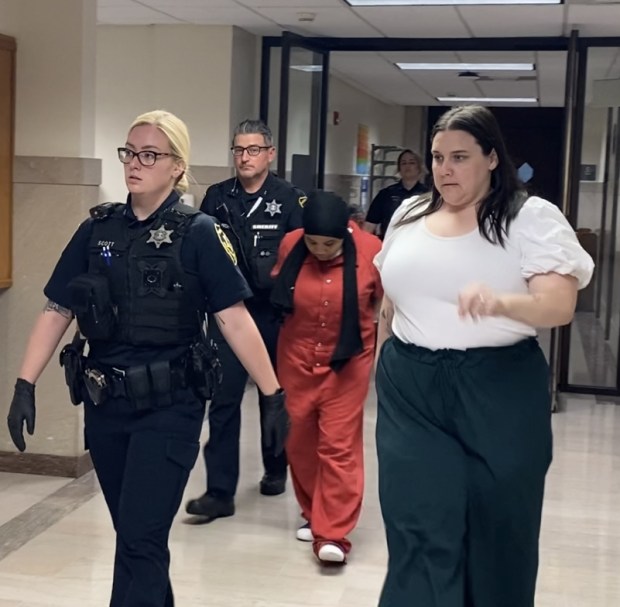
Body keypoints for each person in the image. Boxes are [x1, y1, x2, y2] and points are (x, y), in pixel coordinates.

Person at [5, 110, 288, 607]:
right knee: (137, 538)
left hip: (170, 408)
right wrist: (24, 382)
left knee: (140, 537)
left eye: (149, 155)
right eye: (130, 152)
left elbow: (234, 319)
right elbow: (58, 308)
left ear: (177, 166)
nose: (135, 163)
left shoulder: (199, 232)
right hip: (106, 405)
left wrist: (272, 395)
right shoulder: (99, 229)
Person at [373, 105, 594, 607]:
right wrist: (380, 363)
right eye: (436, 158)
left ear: (492, 158)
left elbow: (559, 307)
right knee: (419, 521)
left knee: (500, 529)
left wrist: (501, 302)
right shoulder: (409, 215)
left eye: (459, 157)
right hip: (412, 386)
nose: (444, 170)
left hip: (499, 388)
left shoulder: (529, 217)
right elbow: (390, 301)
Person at [185, 119, 305, 521]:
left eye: (253, 150)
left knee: (275, 396)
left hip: (274, 315)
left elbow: (300, 259)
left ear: (270, 153)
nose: (244, 157)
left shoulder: (288, 199)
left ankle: (276, 466)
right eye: (238, 150)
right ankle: (220, 491)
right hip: (228, 314)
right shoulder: (218, 198)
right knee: (223, 401)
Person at [270, 191, 383, 565]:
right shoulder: (291, 244)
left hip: (348, 361)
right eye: (313, 242)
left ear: (346, 235)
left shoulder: (370, 249)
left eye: (328, 244)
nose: (319, 249)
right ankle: (313, 511)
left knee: (337, 445)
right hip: (296, 357)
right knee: (299, 439)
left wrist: (378, 352)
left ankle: (332, 533)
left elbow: (382, 302)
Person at [364, 148, 429, 239]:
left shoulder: (428, 195)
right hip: (389, 245)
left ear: (419, 167)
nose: (407, 166)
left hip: (419, 245)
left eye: (412, 162)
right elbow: (369, 226)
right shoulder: (385, 194)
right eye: (403, 163)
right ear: (399, 168)